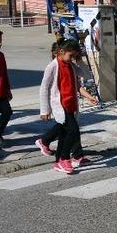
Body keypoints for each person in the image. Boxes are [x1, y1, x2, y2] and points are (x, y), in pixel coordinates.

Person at [38, 41, 99, 174]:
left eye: (74, 56)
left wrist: (88, 96)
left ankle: (58, 161)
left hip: (71, 105)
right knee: (73, 131)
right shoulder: (52, 66)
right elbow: (44, 88)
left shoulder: (71, 65)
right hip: (60, 105)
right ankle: (65, 158)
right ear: (61, 51)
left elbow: (85, 77)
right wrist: (45, 109)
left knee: (65, 134)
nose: (72, 58)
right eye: (71, 55)